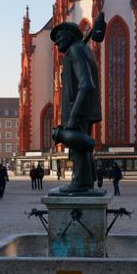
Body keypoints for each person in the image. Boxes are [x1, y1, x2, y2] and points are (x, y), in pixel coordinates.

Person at [50, 20, 102, 192]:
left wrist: (72, 115)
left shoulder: (75, 51)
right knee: (82, 148)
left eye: (58, 37)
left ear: (69, 36)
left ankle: (79, 182)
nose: (56, 42)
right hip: (84, 110)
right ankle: (86, 181)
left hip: (78, 111)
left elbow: (86, 84)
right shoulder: (82, 49)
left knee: (78, 147)